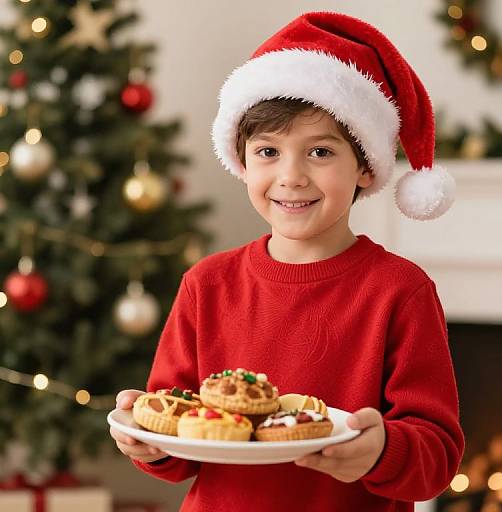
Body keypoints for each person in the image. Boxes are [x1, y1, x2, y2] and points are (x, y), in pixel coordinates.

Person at [110, 11, 464, 511]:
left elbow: (437, 457)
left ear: (364, 166)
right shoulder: (206, 284)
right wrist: (146, 441)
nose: (291, 176)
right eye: (268, 151)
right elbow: (178, 438)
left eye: (320, 152)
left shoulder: (400, 291)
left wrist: (382, 450)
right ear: (242, 160)